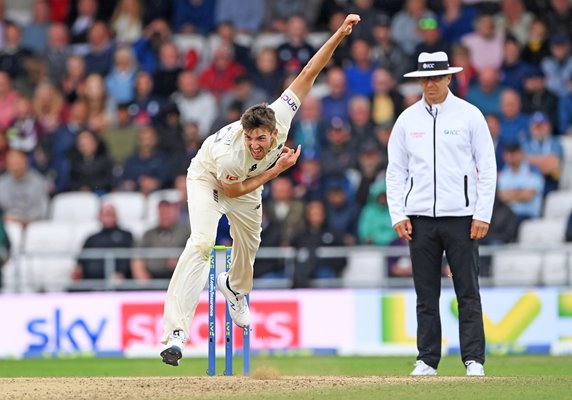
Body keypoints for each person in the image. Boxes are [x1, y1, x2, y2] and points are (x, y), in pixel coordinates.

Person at [160, 14, 361, 367]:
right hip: (212, 179)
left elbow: (310, 71)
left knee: (250, 244)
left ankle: (235, 289)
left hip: (248, 182)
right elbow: (232, 191)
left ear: (273, 131)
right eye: (250, 137)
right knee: (204, 242)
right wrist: (277, 170)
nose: (256, 143)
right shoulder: (231, 154)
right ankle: (175, 333)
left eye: (261, 138)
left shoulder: (281, 115)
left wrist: (339, 34)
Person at [386, 51, 497, 377]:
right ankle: (427, 360)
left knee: (467, 291)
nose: (431, 84)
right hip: (419, 218)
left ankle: (473, 360)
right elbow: (396, 171)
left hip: (462, 217)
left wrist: (482, 214)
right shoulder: (407, 120)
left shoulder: (469, 115)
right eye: (426, 78)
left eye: (437, 77)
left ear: (449, 78)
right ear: (419, 81)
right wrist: (398, 214)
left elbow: (486, 167)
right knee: (425, 293)